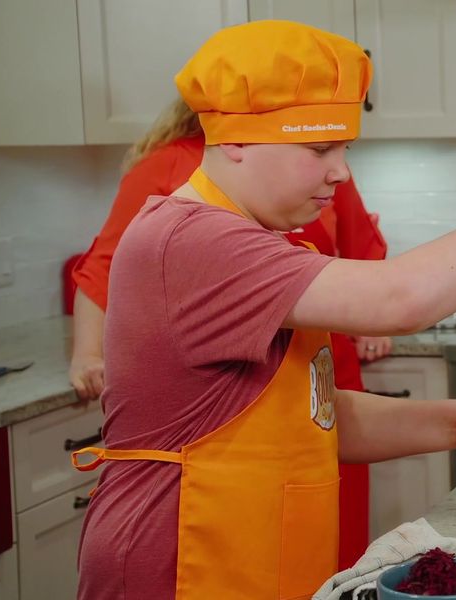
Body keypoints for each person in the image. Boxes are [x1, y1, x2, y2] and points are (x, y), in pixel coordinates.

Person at [70, 20, 456, 599]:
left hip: (241, 557)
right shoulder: (193, 240)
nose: (341, 171)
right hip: (175, 562)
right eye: (319, 148)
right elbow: (398, 298)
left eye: (344, 148)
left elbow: (313, 419)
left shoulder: (250, 238)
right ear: (237, 142)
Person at [68, 98, 390, 568]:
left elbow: (360, 248)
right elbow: (104, 267)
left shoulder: (316, 167)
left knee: (330, 539)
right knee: (247, 545)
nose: (337, 167)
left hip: (322, 367)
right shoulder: (168, 169)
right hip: (233, 382)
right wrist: (86, 353)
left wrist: (374, 320)